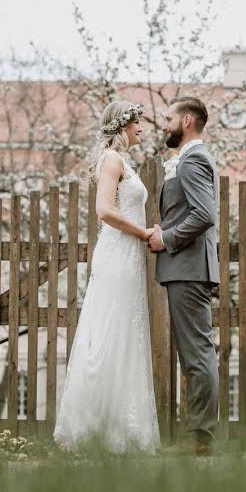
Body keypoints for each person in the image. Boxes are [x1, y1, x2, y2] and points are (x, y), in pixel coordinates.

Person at [53, 100, 160, 454]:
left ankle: (119, 426)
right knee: (107, 332)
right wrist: (144, 233)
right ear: (123, 126)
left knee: (126, 333)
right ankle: (88, 427)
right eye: (137, 124)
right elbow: (104, 211)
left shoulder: (124, 162)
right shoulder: (112, 161)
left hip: (128, 257)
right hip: (117, 254)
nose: (141, 129)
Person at [147, 96, 219, 457]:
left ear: (187, 121)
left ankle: (200, 439)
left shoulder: (194, 159)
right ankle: (199, 437)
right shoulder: (187, 159)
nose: (164, 124)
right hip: (186, 268)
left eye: (168, 117)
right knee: (195, 352)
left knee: (197, 354)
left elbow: (205, 214)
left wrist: (167, 238)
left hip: (189, 267)